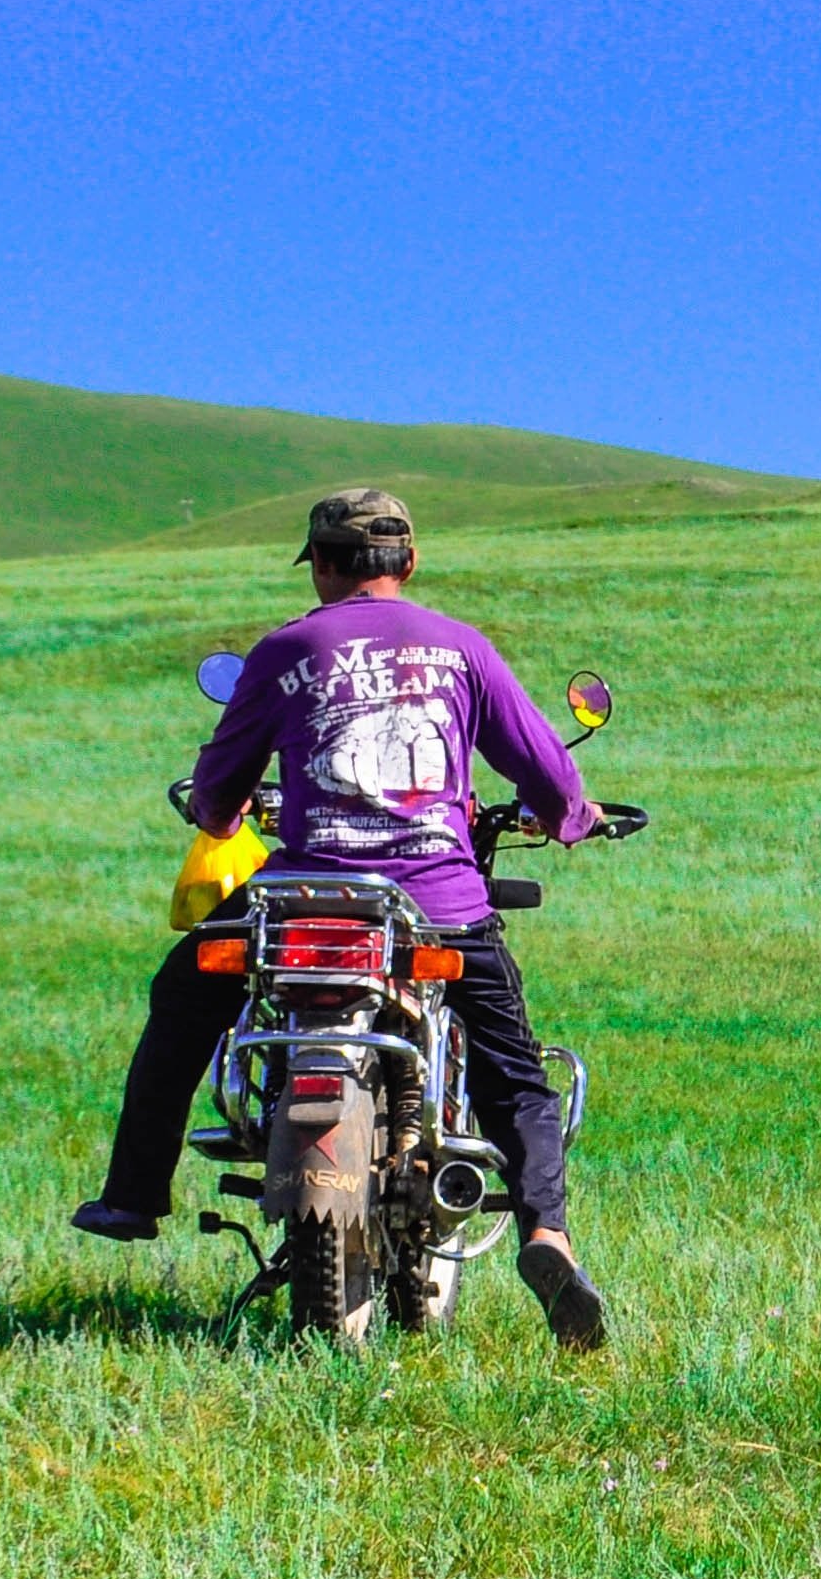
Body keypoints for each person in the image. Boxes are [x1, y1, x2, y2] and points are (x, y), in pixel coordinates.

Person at [72, 488, 610, 1352]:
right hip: (438, 904)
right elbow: (546, 772)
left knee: (181, 1004)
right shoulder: (464, 648)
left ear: (321, 565)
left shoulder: (284, 648)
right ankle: (547, 1236)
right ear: (409, 563)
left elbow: (218, 795)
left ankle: (134, 1195)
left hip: (301, 901)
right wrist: (572, 818)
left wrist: (222, 817)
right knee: (514, 1074)